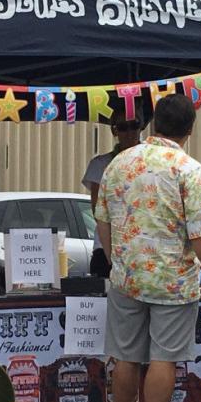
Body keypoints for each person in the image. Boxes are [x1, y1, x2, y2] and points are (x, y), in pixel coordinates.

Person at [95, 94, 201, 402]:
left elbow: (102, 220)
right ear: (190, 129)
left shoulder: (120, 163)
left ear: (153, 123)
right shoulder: (190, 170)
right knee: (163, 359)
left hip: (126, 278)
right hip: (172, 281)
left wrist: (115, 261)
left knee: (125, 357)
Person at [82, 108, 142, 277]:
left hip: (143, 247)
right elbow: (98, 211)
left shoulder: (154, 161)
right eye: (123, 127)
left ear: (141, 127)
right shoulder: (101, 164)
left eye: (134, 125)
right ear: (114, 130)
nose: (129, 132)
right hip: (107, 246)